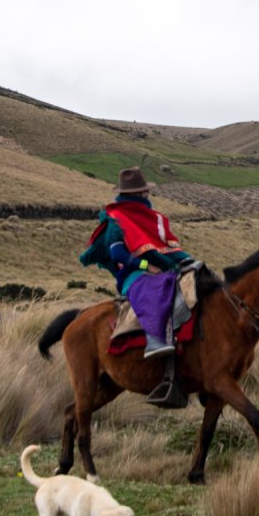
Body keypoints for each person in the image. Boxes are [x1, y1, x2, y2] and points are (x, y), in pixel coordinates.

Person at [79, 167, 193, 407]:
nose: (147, 196)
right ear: (138, 193)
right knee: (155, 289)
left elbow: (167, 247)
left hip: (161, 269)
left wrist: (185, 261)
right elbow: (119, 254)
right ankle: (156, 341)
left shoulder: (154, 219)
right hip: (133, 274)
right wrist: (147, 265)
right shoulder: (115, 222)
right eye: (144, 192)